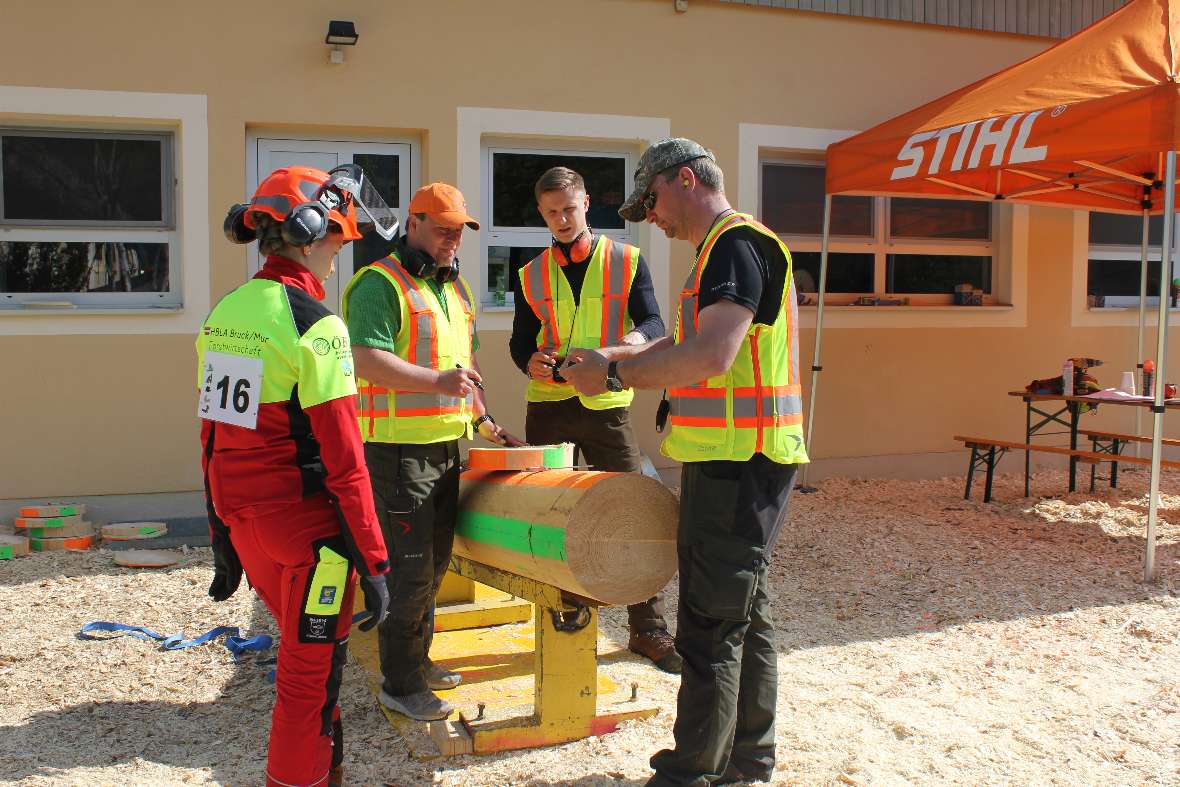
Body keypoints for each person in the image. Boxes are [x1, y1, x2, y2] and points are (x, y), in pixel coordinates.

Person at [561, 138, 809, 787]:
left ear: (686, 178)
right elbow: (689, 340)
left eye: (654, 200)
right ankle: (748, 761)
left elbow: (712, 355)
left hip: (740, 461)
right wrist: (610, 358)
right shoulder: (721, 253)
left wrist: (616, 369)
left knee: (707, 623)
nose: (654, 216)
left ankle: (690, 772)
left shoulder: (734, 246)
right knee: (742, 610)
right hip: (734, 459)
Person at [198, 164, 395, 787]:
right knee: (306, 686)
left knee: (317, 670)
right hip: (314, 541)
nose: (340, 253)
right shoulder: (319, 326)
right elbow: (346, 459)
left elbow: (214, 436)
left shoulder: (226, 313)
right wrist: (375, 561)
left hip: (248, 527)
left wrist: (219, 534)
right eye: (338, 240)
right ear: (310, 234)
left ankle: (323, 773)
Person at [341, 182, 523, 722]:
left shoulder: (454, 289)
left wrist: (483, 419)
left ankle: (417, 661)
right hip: (397, 453)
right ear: (413, 223)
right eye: (441, 229)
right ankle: (400, 682)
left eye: (458, 231)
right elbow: (364, 359)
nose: (451, 240)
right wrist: (439, 382)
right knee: (409, 570)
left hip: (445, 448)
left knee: (437, 563)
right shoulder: (378, 284)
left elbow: (465, 370)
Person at [509, 166, 679, 673]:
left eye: (569, 208)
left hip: (606, 405)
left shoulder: (626, 259)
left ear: (586, 203)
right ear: (541, 213)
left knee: (633, 515)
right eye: (551, 212)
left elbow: (652, 322)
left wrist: (622, 349)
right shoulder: (529, 271)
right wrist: (529, 360)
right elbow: (521, 340)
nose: (561, 219)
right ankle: (556, 622)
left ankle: (648, 631)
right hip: (547, 404)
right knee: (547, 515)